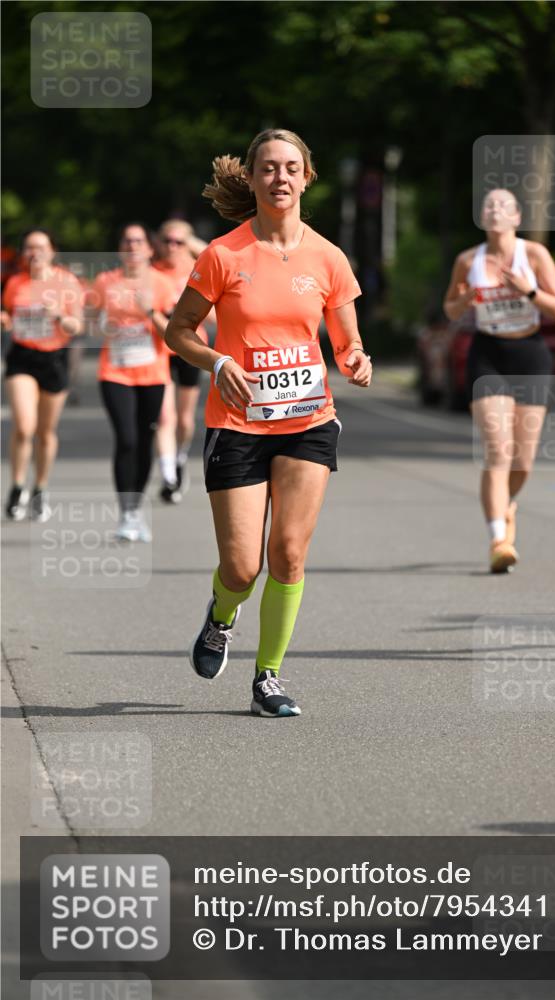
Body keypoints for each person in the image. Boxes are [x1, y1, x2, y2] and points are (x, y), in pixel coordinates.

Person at [165, 128, 371, 717]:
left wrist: (356, 359)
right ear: (252, 179)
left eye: (290, 168)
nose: (279, 178)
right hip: (236, 423)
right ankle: (221, 616)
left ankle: (268, 678)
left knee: (289, 553)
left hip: (308, 420)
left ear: (307, 177)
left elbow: (347, 341)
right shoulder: (223, 255)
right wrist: (218, 359)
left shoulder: (329, 257)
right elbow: (178, 331)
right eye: (268, 169)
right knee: (241, 565)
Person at [444, 189, 555, 573]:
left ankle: (507, 506)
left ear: (517, 217)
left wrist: (527, 290)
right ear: (483, 217)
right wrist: (463, 302)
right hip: (488, 356)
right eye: (489, 205)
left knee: (523, 460)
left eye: (504, 206)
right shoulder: (469, 260)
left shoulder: (533, 255)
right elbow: (450, 308)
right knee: (497, 450)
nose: (495, 210)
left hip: (529, 354)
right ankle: (498, 538)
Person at [88, 223, 175, 541]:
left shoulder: (162, 283)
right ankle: (126, 513)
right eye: (127, 241)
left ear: (150, 249)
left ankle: (136, 509)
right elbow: (91, 326)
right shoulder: (105, 282)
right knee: (125, 438)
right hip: (115, 371)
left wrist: (149, 311)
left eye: (139, 241)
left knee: (144, 440)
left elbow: (174, 333)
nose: (133, 246)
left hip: (153, 373)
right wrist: (101, 324)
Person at [1, 229, 83, 521]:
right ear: (24, 253)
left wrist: (59, 314)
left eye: (40, 247)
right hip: (22, 357)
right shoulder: (15, 283)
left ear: (52, 251)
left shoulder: (67, 282)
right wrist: (6, 319)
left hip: (55, 359)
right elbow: (9, 313)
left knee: (45, 432)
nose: (35, 253)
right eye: (29, 248)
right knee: (24, 426)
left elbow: (77, 327)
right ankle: (17, 485)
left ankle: (40, 488)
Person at [154, 219, 209, 503]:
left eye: (179, 242)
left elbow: (213, 314)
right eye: (167, 241)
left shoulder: (199, 268)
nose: (172, 247)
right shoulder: (152, 270)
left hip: (191, 349)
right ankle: (168, 476)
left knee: (185, 420)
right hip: (158, 350)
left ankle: (179, 456)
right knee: (165, 416)